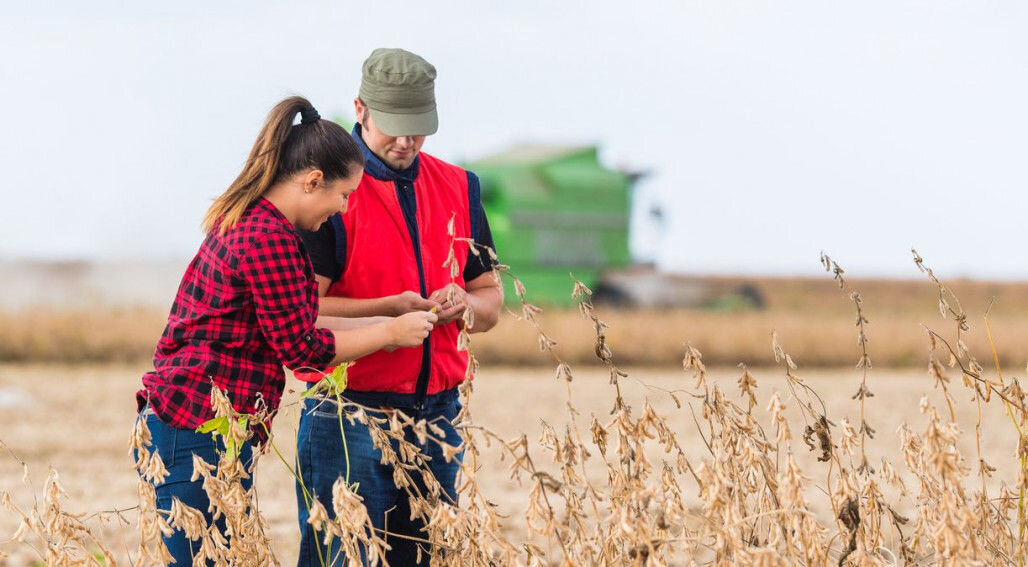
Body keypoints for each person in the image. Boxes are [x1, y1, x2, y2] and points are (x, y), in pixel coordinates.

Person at [135, 95, 437, 564]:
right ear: (313, 181)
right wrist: (390, 336)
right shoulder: (268, 238)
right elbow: (303, 349)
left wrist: (388, 315)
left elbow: (298, 316)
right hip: (194, 431)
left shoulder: (254, 221)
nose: (342, 208)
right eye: (343, 195)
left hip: (201, 428)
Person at [294, 49, 504, 565]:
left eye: (418, 127)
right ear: (360, 109)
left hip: (438, 415)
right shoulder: (329, 193)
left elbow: (491, 301)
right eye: (395, 127)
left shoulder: (460, 186)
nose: (407, 141)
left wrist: (464, 304)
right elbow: (303, 313)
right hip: (347, 414)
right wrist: (390, 319)